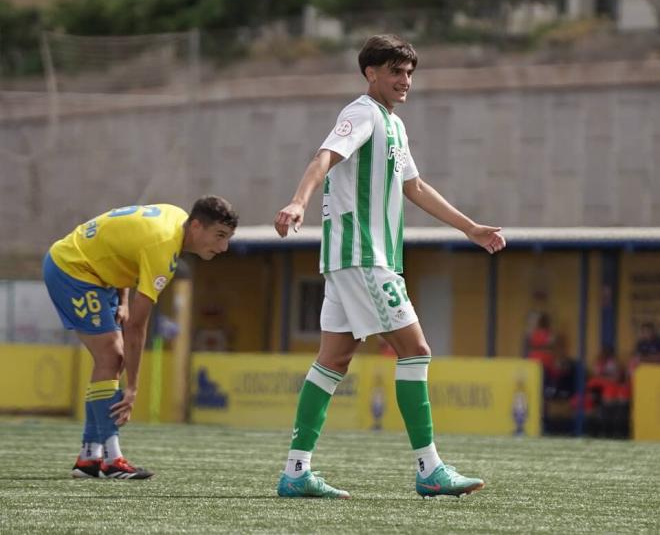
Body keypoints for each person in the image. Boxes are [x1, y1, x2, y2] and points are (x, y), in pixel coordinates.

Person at [273, 34, 506, 499]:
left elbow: (415, 188)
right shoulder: (361, 113)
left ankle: (296, 471)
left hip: (351, 259)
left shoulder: (393, 127)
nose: (404, 81)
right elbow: (324, 156)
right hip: (363, 256)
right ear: (371, 73)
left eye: (409, 73)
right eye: (395, 71)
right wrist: (298, 202)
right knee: (415, 350)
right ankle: (429, 468)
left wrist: (470, 227)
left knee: (333, 361)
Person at [43, 196, 238, 479]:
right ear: (196, 226)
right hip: (73, 268)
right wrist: (132, 388)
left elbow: (125, 247)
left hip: (95, 270)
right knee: (112, 356)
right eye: (219, 236)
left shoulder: (175, 217)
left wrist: (122, 299)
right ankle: (111, 461)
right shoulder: (164, 248)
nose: (224, 247)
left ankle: (90, 457)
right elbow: (136, 326)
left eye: (228, 238)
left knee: (111, 359)